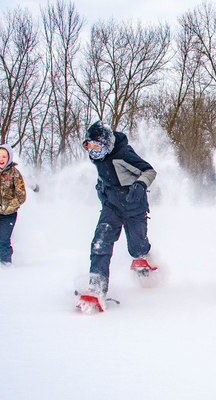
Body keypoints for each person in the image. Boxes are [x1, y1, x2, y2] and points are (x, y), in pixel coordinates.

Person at [81, 121, 157, 297]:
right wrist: (101, 188)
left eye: (96, 146)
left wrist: (139, 185)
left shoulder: (123, 154)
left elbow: (149, 171)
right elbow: (106, 175)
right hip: (111, 208)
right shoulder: (97, 157)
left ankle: (144, 256)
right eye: (90, 146)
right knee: (100, 243)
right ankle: (96, 287)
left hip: (134, 207)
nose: (93, 151)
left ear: (107, 143)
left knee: (136, 249)